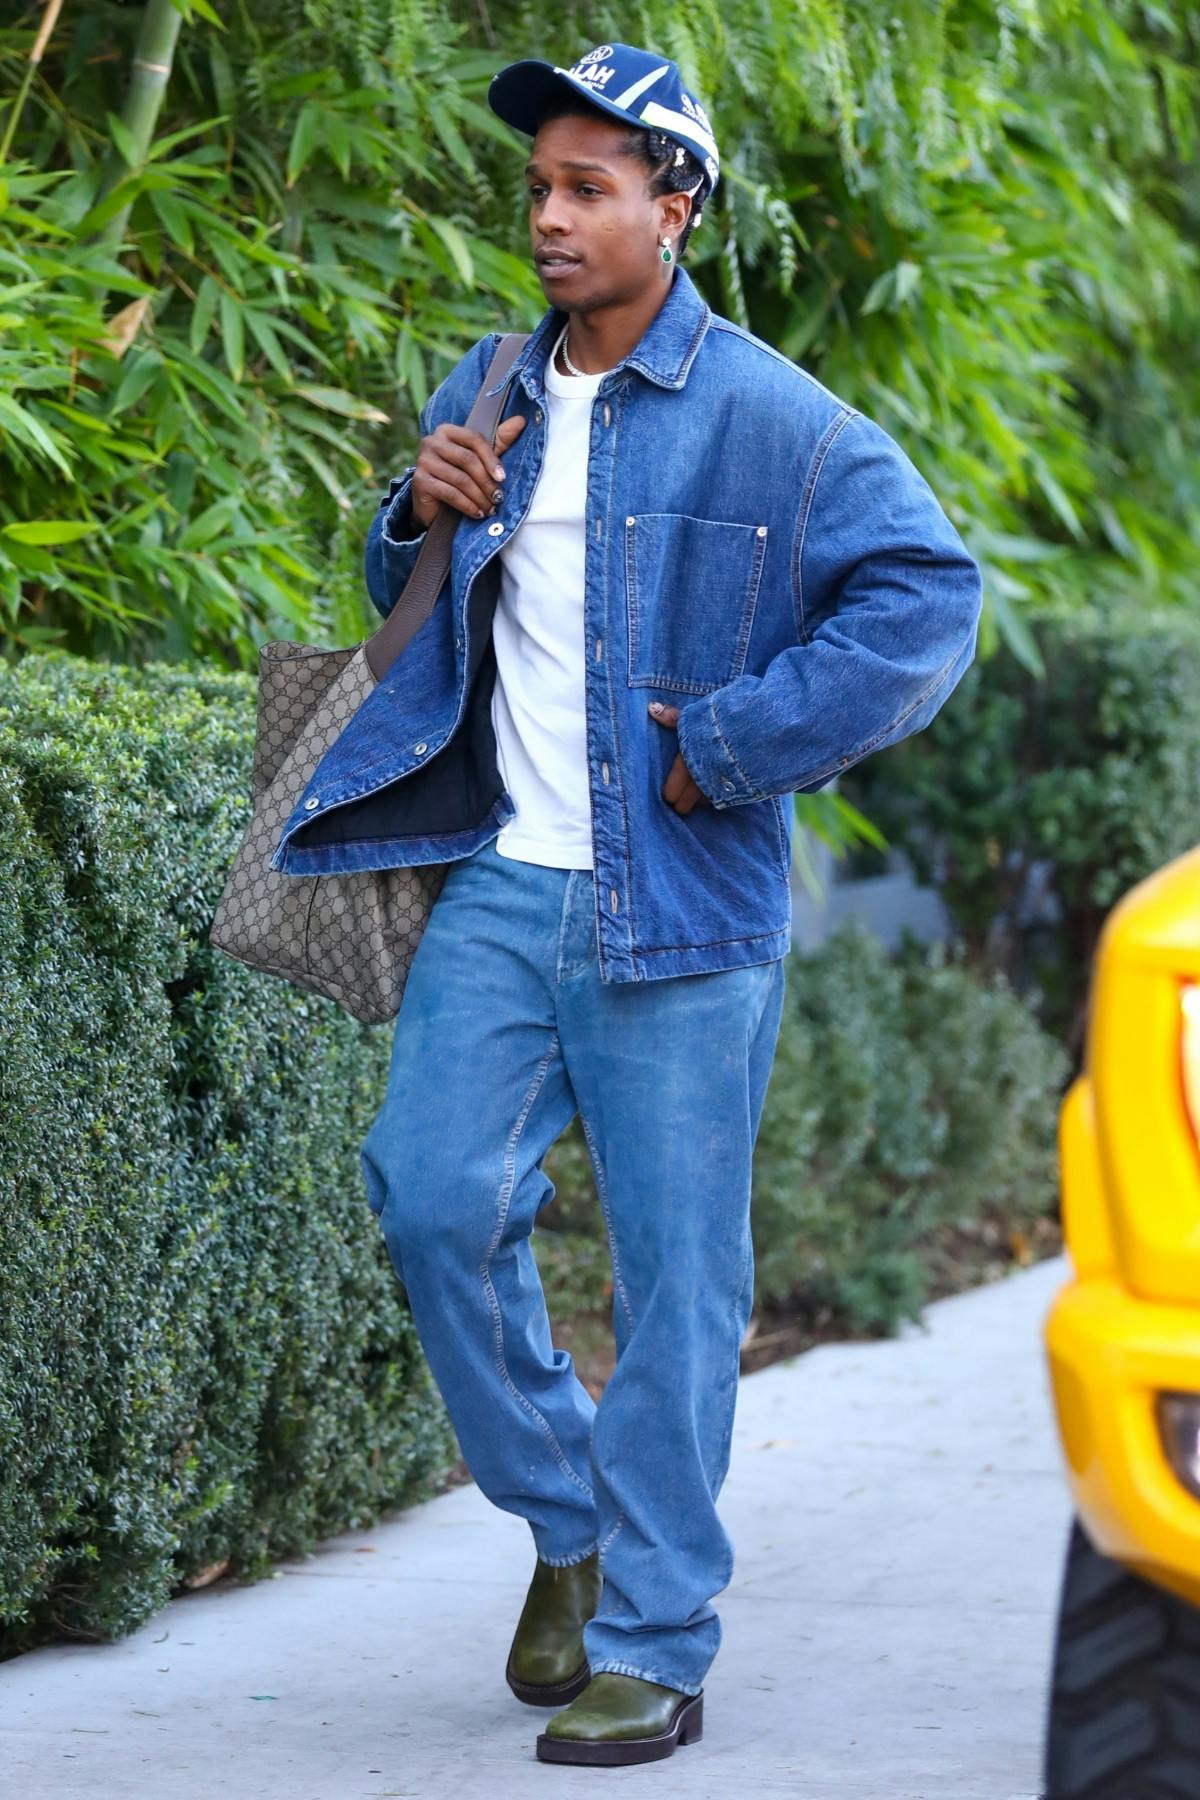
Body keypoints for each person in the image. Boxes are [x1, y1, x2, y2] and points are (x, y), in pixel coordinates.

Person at [271, 41, 983, 1769]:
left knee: (678, 1287)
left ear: (678, 207)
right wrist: (409, 514)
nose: (549, 219)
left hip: (681, 906)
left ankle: (656, 1640)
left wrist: (731, 744)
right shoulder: (494, 376)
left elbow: (930, 600)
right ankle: (569, 1524)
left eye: (589, 188)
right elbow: (424, 607)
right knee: (429, 1195)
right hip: (509, 888)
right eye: (538, 187)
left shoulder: (776, 417)